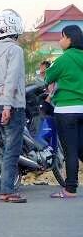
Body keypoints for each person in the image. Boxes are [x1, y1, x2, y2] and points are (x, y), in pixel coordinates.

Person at [0, 10, 27, 203]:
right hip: (13, 105)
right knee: (12, 149)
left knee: (6, 147)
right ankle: (8, 191)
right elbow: (12, 78)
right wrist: (8, 104)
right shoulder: (15, 50)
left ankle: (6, 188)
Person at [44, 25, 83, 198]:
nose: (60, 40)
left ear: (69, 39)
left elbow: (48, 77)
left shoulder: (64, 59)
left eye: (62, 37)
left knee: (70, 151)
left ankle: (70, 189)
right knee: (81, 148)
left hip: (66, 110)